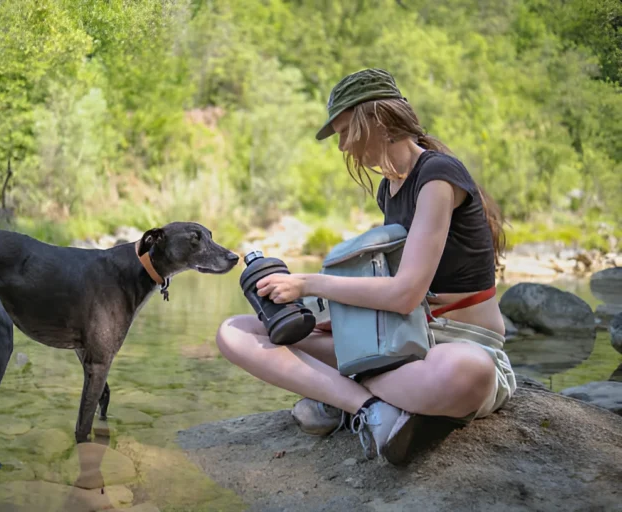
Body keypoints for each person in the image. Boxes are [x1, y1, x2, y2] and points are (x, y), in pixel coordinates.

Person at [215, 68, 516, 464]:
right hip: (397, 345)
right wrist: (328, 320)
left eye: (344, 131)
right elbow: (392, 292)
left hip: (453, 345)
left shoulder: (438, 175)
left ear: (375, 120)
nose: (342, 146)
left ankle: (342, 395)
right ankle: (372, 410)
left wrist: (307, 284)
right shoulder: (388, 189)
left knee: (468, 371)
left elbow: (406, 293)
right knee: (235, 332)